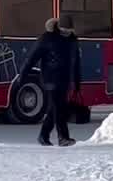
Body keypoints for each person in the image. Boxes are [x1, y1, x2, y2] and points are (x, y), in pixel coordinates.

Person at [22, 13, 82, 148]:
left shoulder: (73, 40)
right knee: (59, 108)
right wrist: (23, 75)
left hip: (64, 79)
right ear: (59, 28)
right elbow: (32, 57)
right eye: (64, 30)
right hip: (50, 78)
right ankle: (63, 138)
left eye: (69, 31)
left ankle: (43, 136)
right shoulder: (47, 38)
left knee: (54, 109)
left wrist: (77, 82)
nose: (66, 33)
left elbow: (76, 62)